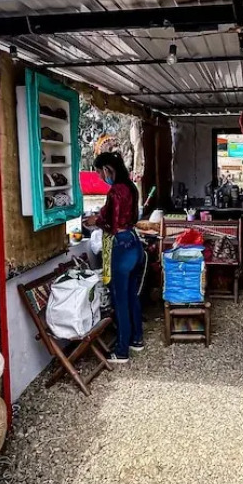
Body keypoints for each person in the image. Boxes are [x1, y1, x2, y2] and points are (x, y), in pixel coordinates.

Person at [84, 151, 145, 364]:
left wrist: (95, 220)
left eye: (100, 172)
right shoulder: (131, 187)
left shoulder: (115, 191)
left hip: (121, 248)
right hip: (135, 244)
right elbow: (131, 217)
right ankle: (136, 339)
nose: (101, 177)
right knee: (132, 296)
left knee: (119, 299)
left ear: (108, 169)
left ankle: (121, 351)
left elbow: (112, 221)